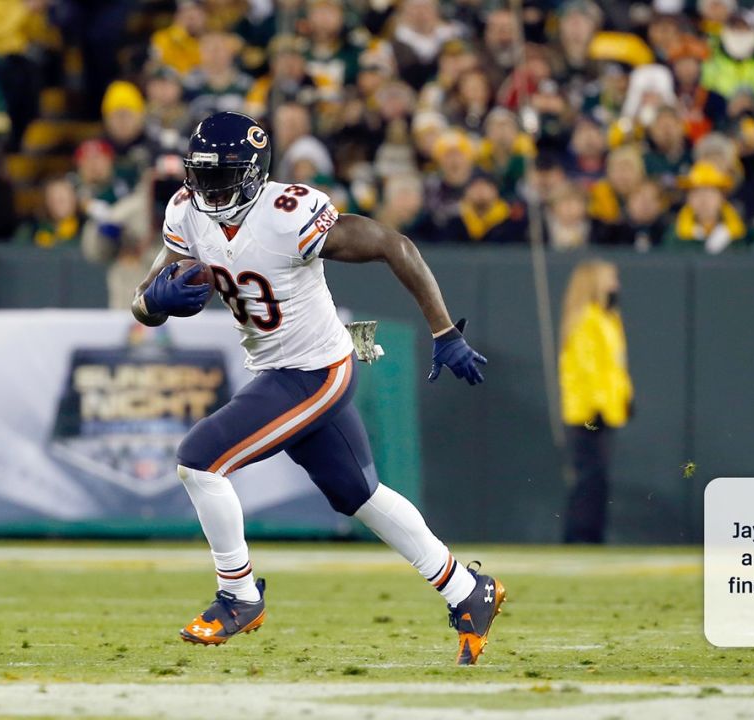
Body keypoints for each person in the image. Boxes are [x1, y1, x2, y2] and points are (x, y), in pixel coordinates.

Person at [130, 112, 504, 665]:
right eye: (201, 175)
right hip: (277, 369)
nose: (207, 189)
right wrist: (153, 304)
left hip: (314, 372)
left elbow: (393, 245)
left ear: (255, 174)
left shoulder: (288, 214)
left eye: (222, 175)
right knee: (359, 496)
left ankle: (238, 595)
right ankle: (466, 591)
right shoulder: (186, 211)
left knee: (199, 461)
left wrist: (444, 329)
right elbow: (144, 299)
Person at [558, 260, 633, 544]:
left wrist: (624, 398)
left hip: (607, 410)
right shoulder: (586, 319)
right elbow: (585, 370)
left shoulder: (608, 317)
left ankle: (592, 536)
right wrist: (597, 408)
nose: (616, 285)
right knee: (589, 478)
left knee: (598, 478)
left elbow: (614, 367)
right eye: (610, 278)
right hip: (587, 414)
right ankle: (580, 537)